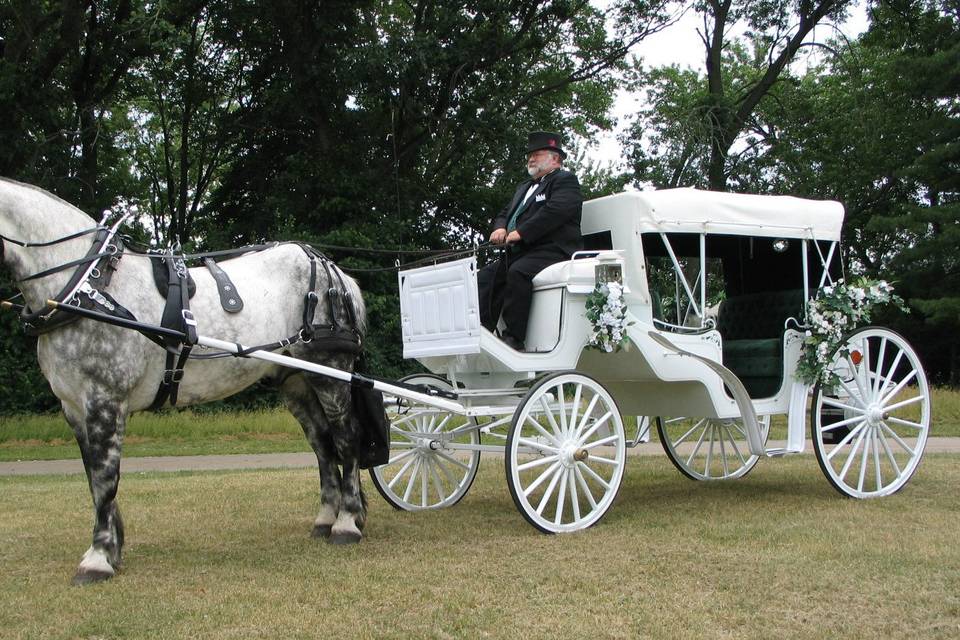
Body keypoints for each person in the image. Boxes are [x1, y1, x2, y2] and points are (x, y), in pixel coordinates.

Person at [477, 131, 583, 351]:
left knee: (519, 272)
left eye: (537, 154)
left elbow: (556, 212)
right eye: (529, 155)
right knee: (487, 276)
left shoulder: (565, 181)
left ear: (555, 158)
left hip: (554, 250)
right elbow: (505, 213)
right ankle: (483, 330)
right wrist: (500, 228)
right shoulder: (524, 187)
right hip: (524, 251)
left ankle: (514, 338)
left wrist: (521, 232)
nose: (531, 159)